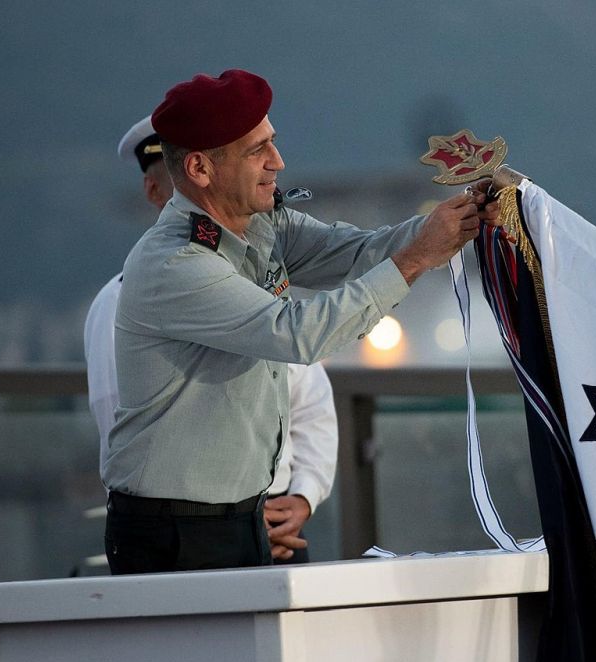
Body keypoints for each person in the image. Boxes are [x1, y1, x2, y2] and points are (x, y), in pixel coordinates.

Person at [102, 69, 500, 575]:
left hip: (242, 515)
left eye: (273, 143)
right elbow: (297, 333)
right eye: (257, 151)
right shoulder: (175, 263)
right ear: (201, 169)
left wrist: (446, 224)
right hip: (175, 531)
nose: (278, 163)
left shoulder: (262, 225)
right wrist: (419, 256)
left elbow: (354, 251)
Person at [85, 116, 337, 565]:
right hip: (192, 520)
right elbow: (119, 421)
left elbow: (309, 399)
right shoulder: (124, 297)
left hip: (273, 516)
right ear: (156, 193)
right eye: (177, 189)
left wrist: (302, 498)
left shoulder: (257, 273)